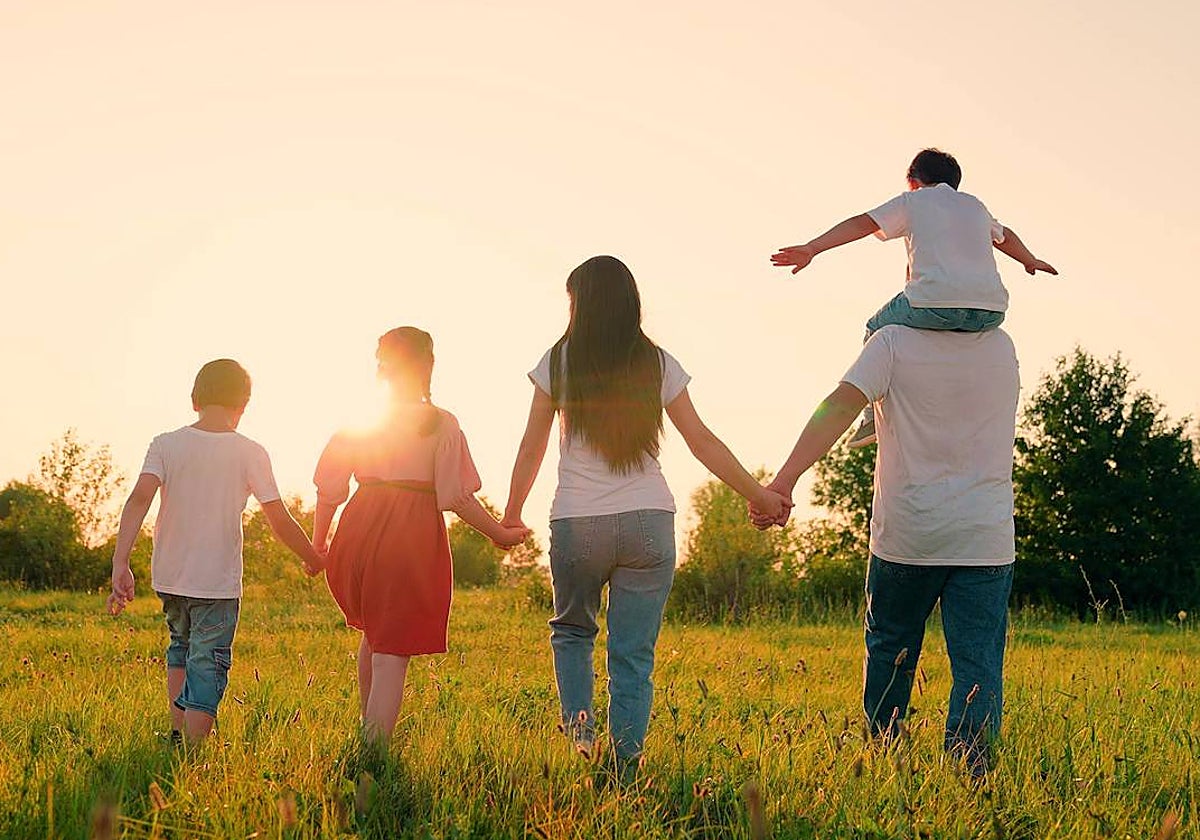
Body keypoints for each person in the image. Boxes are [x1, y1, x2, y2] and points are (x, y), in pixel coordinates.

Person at [502, 255, 790, 780]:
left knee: (573, 633)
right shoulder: (656, 362)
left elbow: (532, 444)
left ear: (580, 305)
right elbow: (701, 440)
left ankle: (582, 739)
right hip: (647, 522)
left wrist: (510, 514)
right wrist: (761, 494)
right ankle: (625, 765)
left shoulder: (559, 360)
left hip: (578, 522)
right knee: (632, 654)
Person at [752, 324, 1020, 776]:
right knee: (979, 665)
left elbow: (837, 406)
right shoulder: (1001, 344)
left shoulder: (891, 341)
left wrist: (784, 480)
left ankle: (882, 760)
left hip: (909, 532)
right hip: (984, 533)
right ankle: (972, 779)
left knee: (889, 649)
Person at [311, 327, 529, 745]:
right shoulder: (440, 423)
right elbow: (455, 498)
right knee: (392, 650)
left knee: (375, 635)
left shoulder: (360, 422)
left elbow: (329, 491)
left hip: (357, 529)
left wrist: (319, 545)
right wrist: (497, 533)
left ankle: (368, 732)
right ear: (427, 365)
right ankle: (373, 755)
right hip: (408, 535)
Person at [770, 148, 1055, 447]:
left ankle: (870, 418)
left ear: (913, 182)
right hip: (990, 312)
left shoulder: (913, 201)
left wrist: (813, 248)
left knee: (875, 327)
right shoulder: (974, 206)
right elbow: (1005, 235)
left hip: (933, 304)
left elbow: (862, 223)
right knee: (925, 300)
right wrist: (1029, 260)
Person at [107, 359, 323, 744]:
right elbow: (278, 518)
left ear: (194, 400)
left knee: (181, 647)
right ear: (244, 404)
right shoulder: (250, 452)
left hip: (171, 576)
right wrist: (311, 555)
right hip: (217, 584)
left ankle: (177, 732)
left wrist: (120, 560)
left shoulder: (165, 444)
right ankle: (191, 749)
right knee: (207, 660)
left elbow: (139, 499)